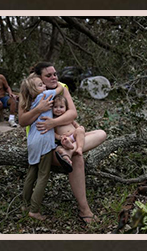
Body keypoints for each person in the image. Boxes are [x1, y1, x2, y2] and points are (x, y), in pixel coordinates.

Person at [21, 62, 108, 224]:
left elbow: (72, 113)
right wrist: (39, 112)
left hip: (68, 139)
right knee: (77, 159)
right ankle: (85, 210)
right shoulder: (30, 90)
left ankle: (69, 149)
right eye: (48, 75)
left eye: (55, 74)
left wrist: (53, 123)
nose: (54, 77)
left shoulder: (61, 87)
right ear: (38, 78)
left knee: (101, 133)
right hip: (47, 145)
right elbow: (22, 120)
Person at [18, 72, 61, 220]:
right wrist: (56, 83)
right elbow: (59, 89)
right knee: (43, 175)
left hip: (32, 140)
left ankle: (25, 204)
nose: (44, 85)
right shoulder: (45, 95)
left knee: (32, 173)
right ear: (34, 90)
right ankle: (34, 210)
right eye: (40, 84)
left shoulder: (31, 102)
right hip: (44, 141)